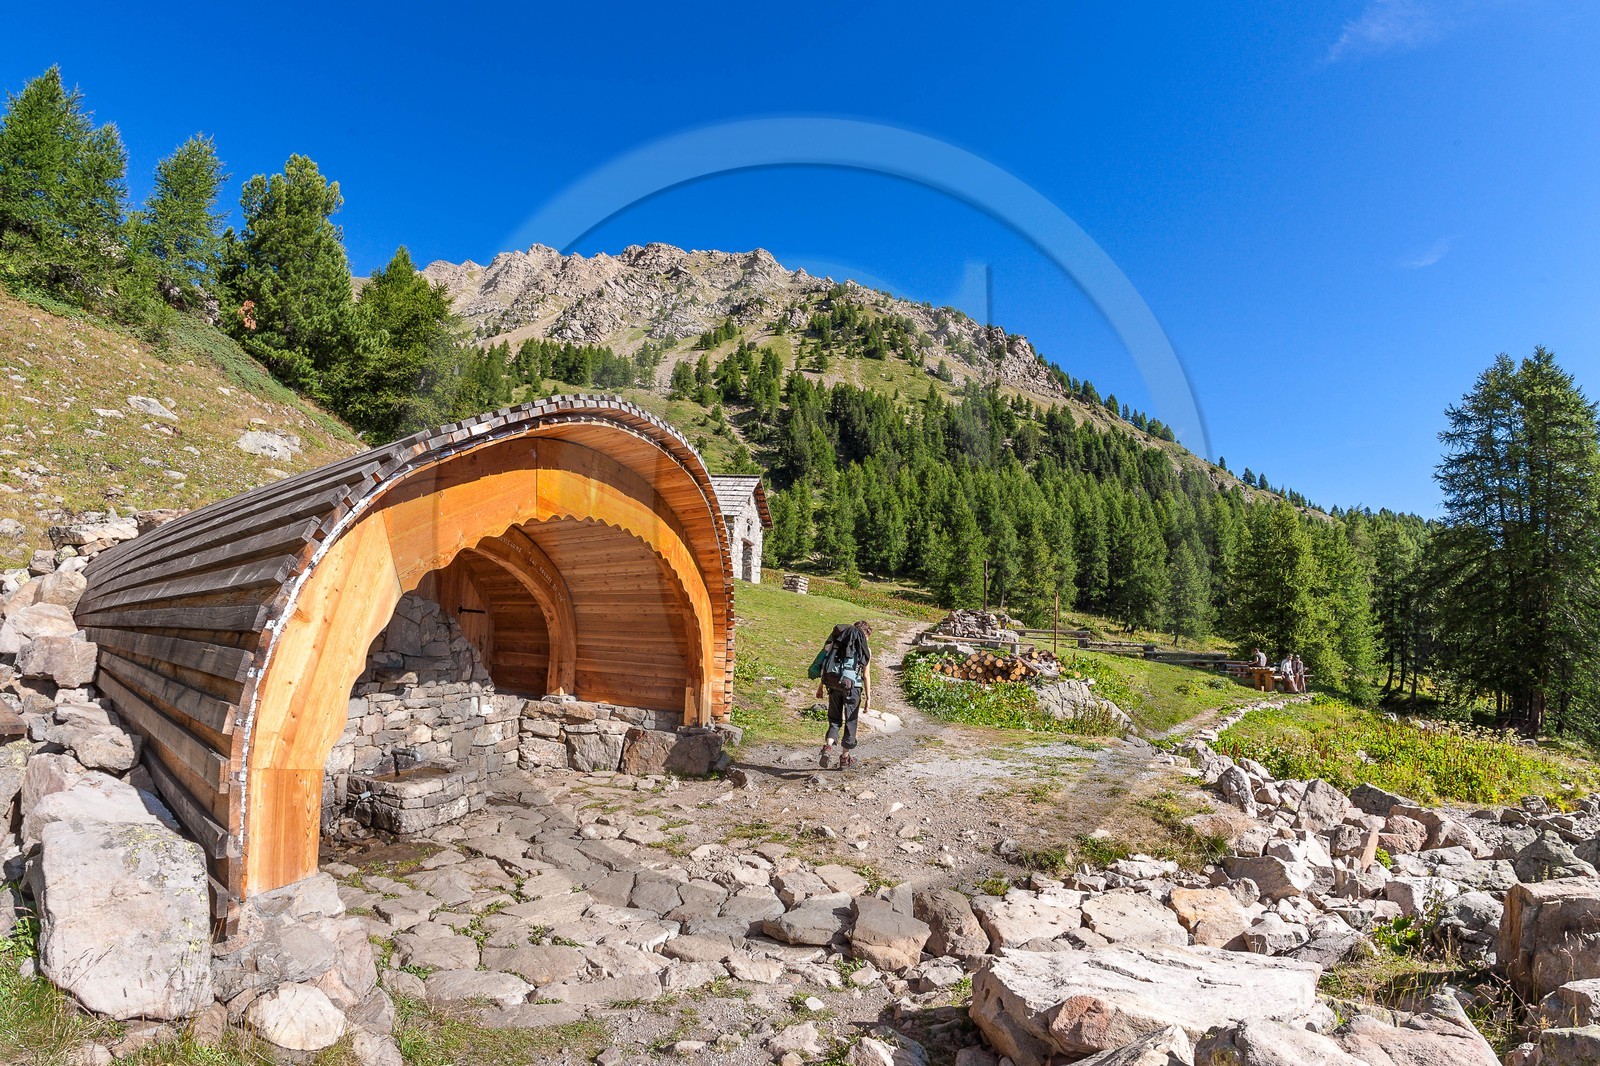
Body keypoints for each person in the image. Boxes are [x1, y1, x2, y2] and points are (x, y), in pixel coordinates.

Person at [814, 620, 872, 769]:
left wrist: (821, 686)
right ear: (864, 633)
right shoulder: (864, 648)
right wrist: (868, 698)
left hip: (833, 684)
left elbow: (827, 665)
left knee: (834, 719)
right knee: (851, 721)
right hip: (853, 688)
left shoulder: (837, 643)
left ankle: (828, 747)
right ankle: (844, 758)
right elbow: (866, 675)